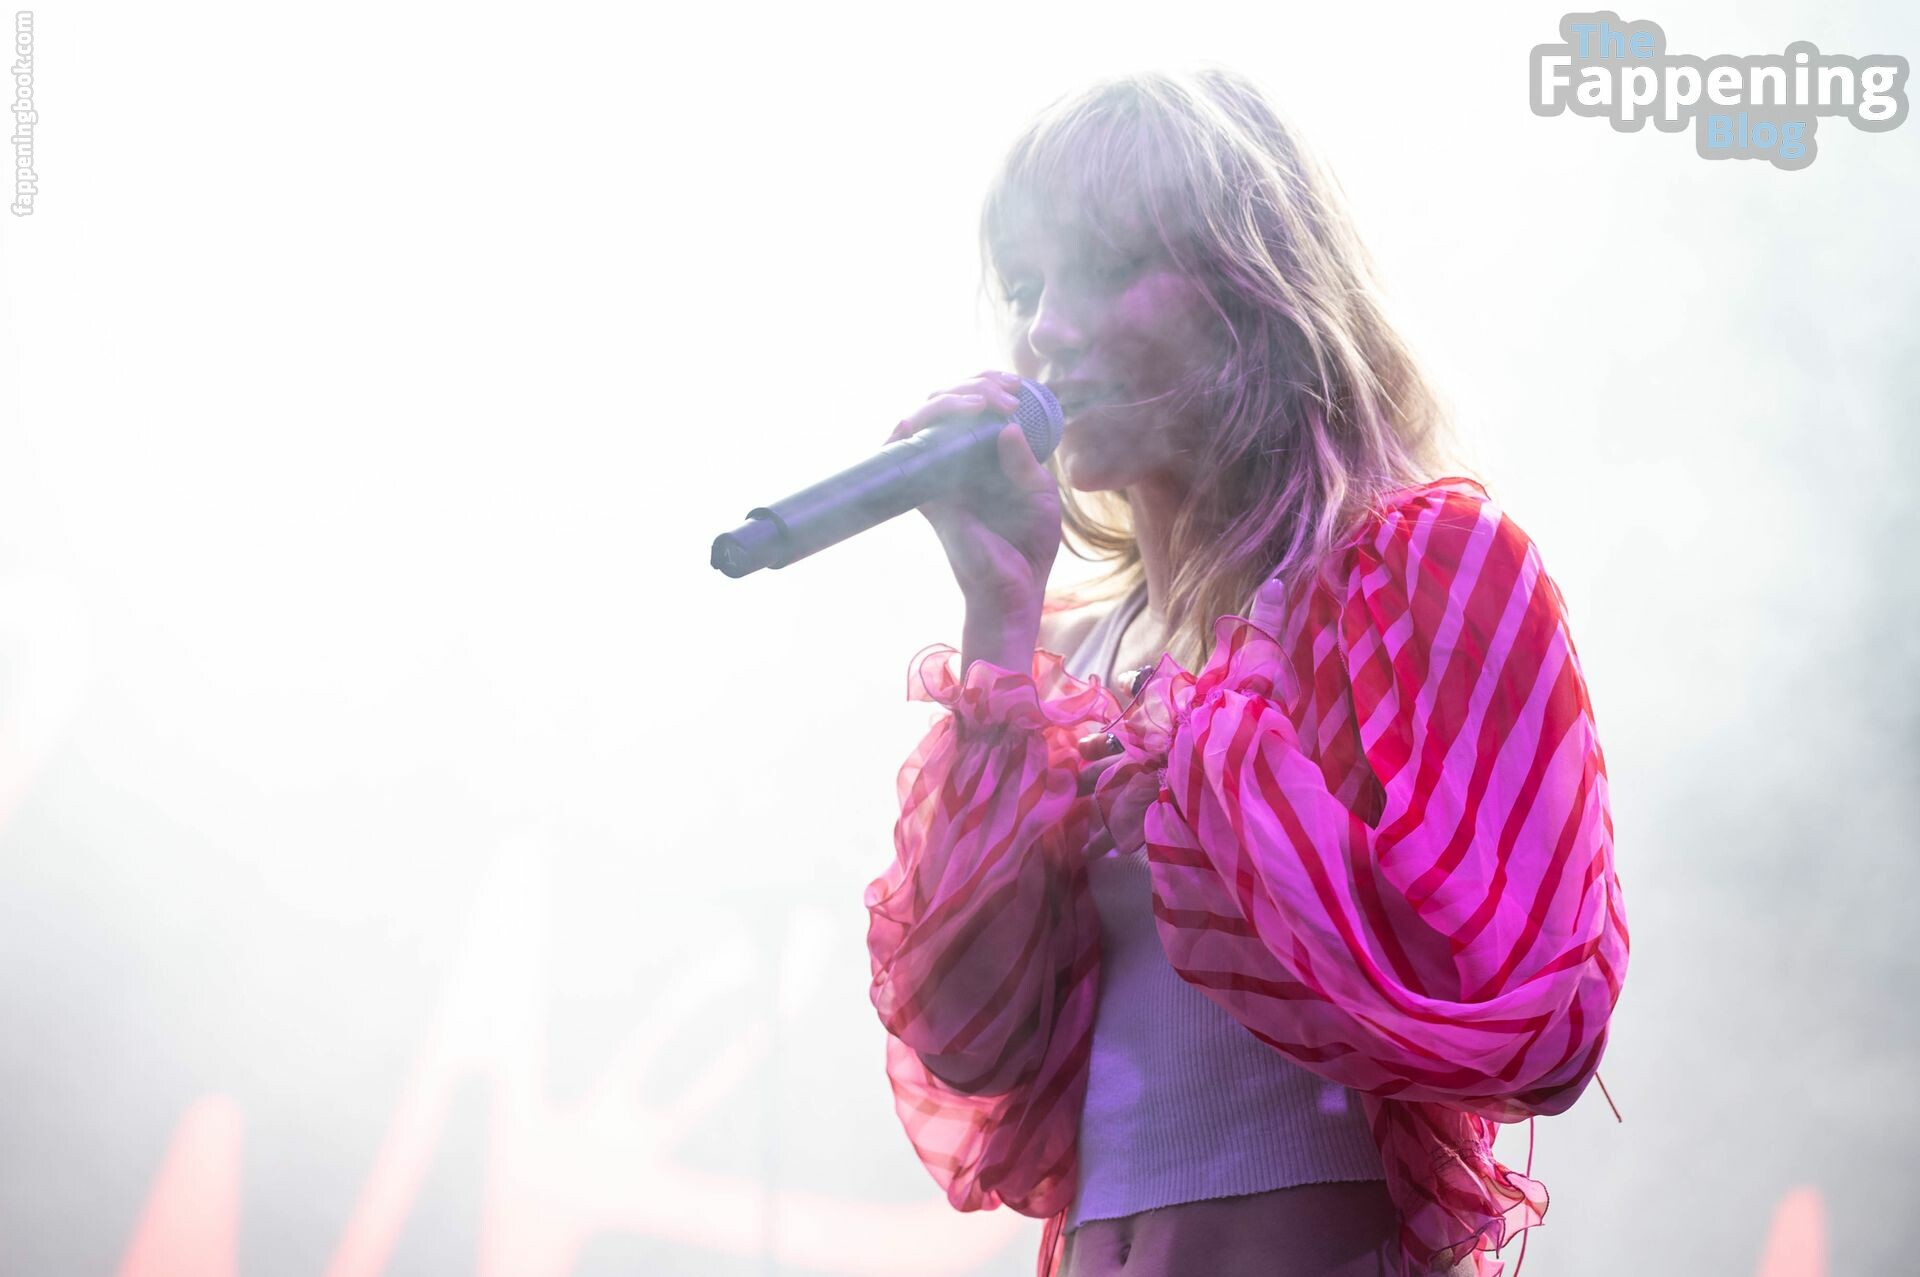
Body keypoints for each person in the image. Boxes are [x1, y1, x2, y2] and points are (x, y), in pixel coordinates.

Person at [863, 68, 1629, 1277]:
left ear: (1253, 282)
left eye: (1106, 265)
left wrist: (1201, 761)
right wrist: (997, 617)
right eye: (1024, 286)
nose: (1046, 327)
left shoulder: (1418, 573)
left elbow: (1518, 997)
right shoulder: (1072, 652)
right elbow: (967, 1035)